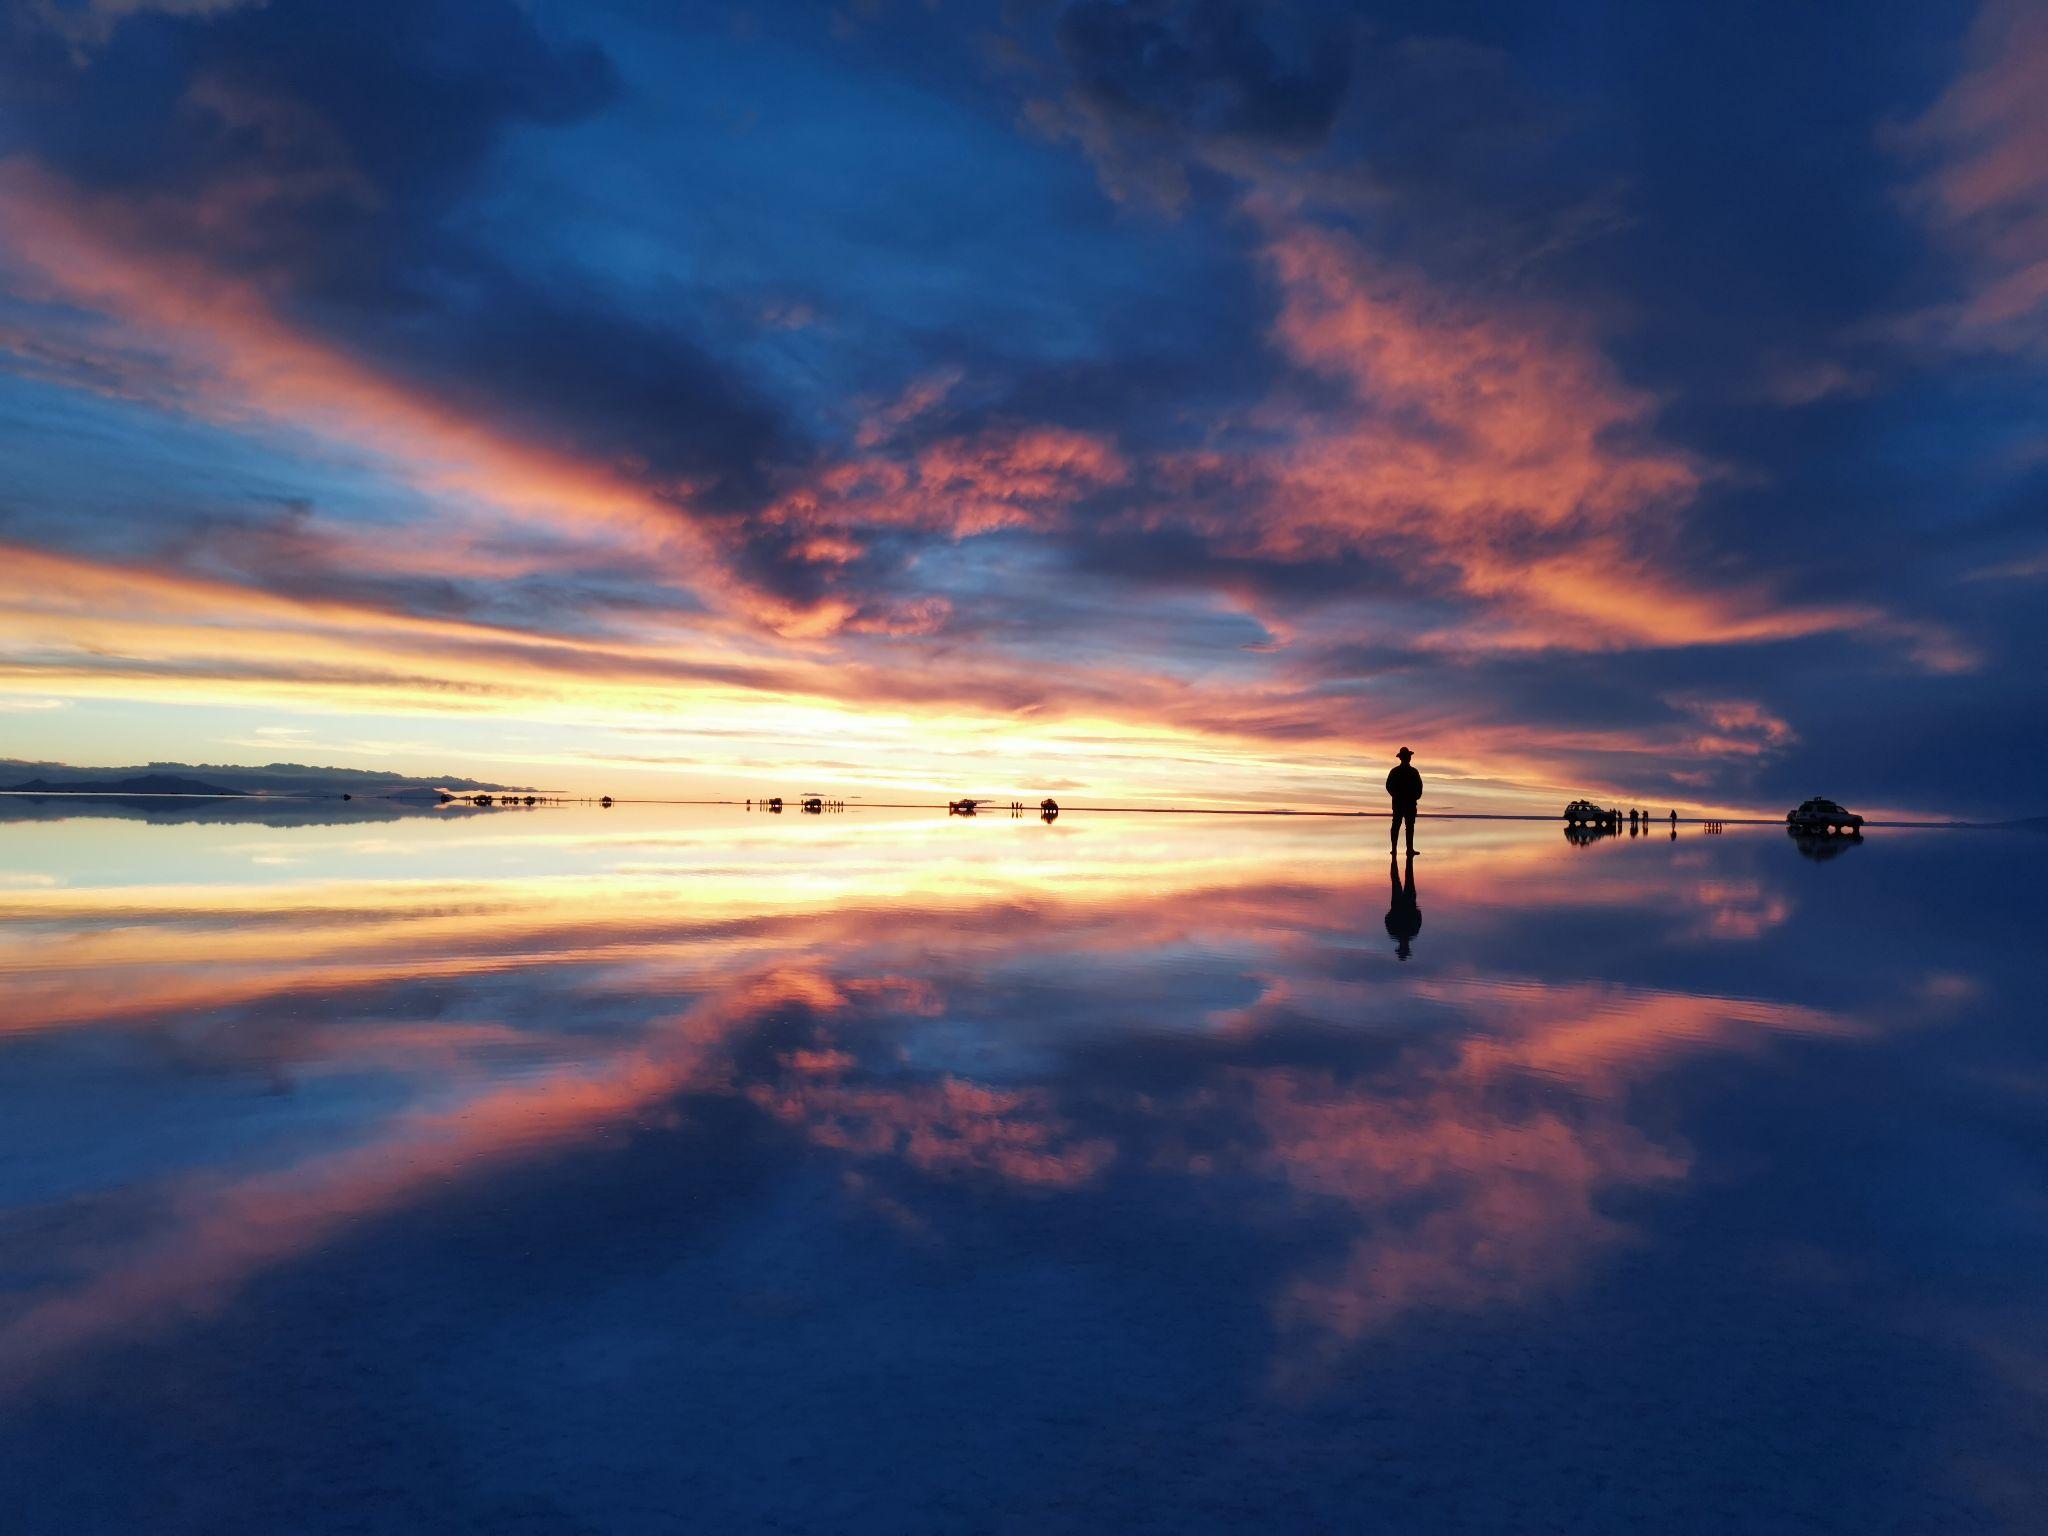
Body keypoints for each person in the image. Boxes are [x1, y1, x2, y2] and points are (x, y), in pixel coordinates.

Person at [1385, 852, 1421, 960]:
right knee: (1404, 876)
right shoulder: (1411, 932)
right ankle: (1396, 857)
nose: (1404, 946)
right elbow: (1418, 916)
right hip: (1407, 902)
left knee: (1400, 878)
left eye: (1403, 948)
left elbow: (1387, 918)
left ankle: (1395, 857)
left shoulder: (1395, 933)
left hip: (1400, 903)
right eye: (1405, 948)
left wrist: (1394, 910)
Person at [1385, 747, 1422, 854]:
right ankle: (1396, 849)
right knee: (1398, 825)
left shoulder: (1412, 771)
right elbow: (1388, 786)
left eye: (1408, 756)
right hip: (1401, 803)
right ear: (1403, 758)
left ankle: (1407, 849)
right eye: (1407, 756)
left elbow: (1419, 787)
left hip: (1407, 803)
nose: (1408, 758)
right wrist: (1395, 795)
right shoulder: (1396, 771)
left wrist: (1415, 797)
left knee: (1406, 826)